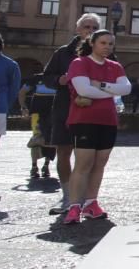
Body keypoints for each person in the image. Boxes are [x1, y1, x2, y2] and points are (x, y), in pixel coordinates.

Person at [61, 30, 130, 224]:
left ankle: (91, 203)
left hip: (108, 120)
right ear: (92, 43)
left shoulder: (115, 66)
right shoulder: (79, 63)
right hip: (83, 120)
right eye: (103, 43)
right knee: (83, 163)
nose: (107, 47)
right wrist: (110, 90)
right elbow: (83, 89)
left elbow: (126, 88)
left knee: (100, 164)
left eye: (110, 44)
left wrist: (98, 85)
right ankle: (74, 205)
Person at [43, 14, 102, 214]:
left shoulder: (104, 52)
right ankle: (69, 196)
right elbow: (47, 77)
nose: (90, 29)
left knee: (89, 156)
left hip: (93, 110)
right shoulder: (62, 53)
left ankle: (86, 197)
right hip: (65, 109)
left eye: (94, 27)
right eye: (86, 26)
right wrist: (60, 79)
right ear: (78, 29)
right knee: (64, 153)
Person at [19, 73, 57, 178]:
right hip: (38, 114)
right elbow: (22, 92)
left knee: (52, 140)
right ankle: (34, 166)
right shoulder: (36, 78)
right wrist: (23, 107)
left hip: (55, 114)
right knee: (37, 139)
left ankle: (46, 165)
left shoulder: (59, 78)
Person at [0, 34, 21, 151]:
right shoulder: (11, 65)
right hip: (0, 107)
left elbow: (14, 89)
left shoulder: (11, 65)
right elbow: (13, 90)